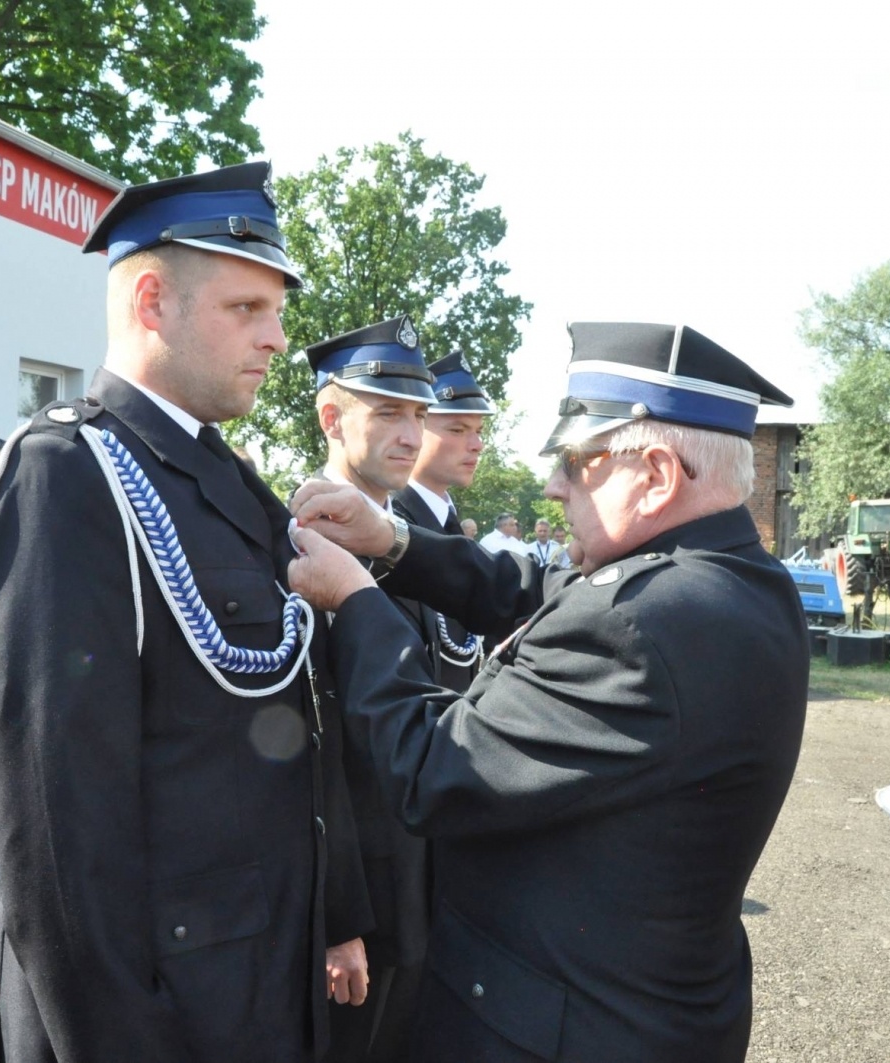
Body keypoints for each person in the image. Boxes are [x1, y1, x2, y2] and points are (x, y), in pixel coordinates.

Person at [286, 321, 809, 1061]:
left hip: (558, 1027)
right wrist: (394, 542)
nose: (553, 484)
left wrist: (359, 601)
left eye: (577, 461)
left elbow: (431, 768)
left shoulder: (641, 622)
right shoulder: (733, 579)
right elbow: (538, 588)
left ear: (657, 475)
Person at [0, 161, 373, 1063]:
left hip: (256, 987)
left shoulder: (226, 478)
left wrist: (337, 913)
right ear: (152, 302)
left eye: (277, 310)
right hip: (149, 1013)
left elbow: (303, 720)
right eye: (245, 309)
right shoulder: (67, 473)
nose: (276, 337)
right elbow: (52, 826)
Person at [308, 318, 436, 1063]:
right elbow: (308, 742)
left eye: (420, 414)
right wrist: (339, 915)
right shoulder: (303, 540)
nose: (411, 432)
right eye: (388, 411)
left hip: (418, 874)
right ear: (333, 417)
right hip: (359, 904)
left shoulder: (404, 540)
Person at [393, 351, 495, 691]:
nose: (477, 444)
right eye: (457, 428)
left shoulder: (448, 526)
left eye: (478, 431)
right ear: (416, 429)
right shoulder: (389, 527)